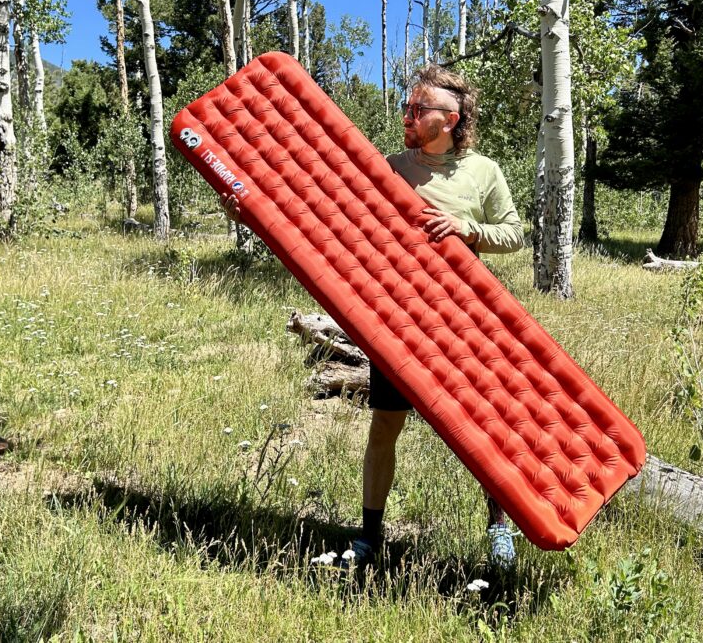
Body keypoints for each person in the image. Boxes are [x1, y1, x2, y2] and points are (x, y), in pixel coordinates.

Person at [222, 64, 526, 569]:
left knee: (482, 428)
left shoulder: (483, 171)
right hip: (398, 320)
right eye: (407, 106)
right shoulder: (387, 167)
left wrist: (466, 228)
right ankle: (370, 535)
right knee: (385, 426)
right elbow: (323, 210)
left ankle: (499, 527)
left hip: (459, 319)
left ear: (449, 119)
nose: (407, 115)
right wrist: (251, 208)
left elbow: (514, 234)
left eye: (417, 108)